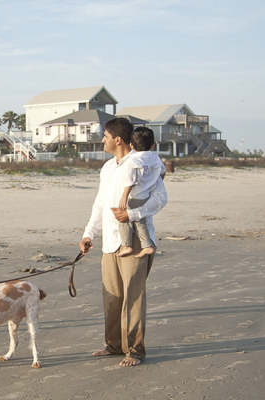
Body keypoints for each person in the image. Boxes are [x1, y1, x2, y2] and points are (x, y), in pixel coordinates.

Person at [79, 117, 167, 367]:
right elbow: (99, 203)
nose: (102, 140)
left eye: (105, 136)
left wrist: (132, 214)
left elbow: (161, 198)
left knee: (133, 297)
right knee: (113, 297)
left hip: (136, 243)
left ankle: (135, 351)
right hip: (110, 241)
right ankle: (114, 345)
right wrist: (88, 234)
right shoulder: (107, 168)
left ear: (118, 139)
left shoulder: (142, 163)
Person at [117, 127, 166, 258]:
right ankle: (147, 245)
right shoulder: (155, 158)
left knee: (125, 220)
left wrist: (123, 197)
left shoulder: (132, 161)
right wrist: (153, 180)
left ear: (131, 145)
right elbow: (162, 172)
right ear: (152, 145)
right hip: (146, 195)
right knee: (141, 221)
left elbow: (130, 181)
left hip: (134, 196)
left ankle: (126, 245)